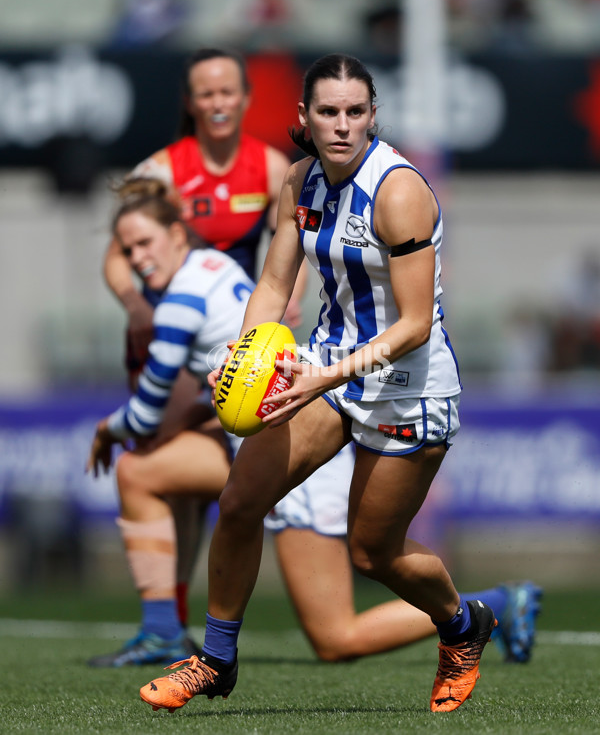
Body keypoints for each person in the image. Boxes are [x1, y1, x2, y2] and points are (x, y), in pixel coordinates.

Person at [139, 53, 504, 715]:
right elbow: (275, 283)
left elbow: (416, 324)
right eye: (329, 112)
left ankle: (462, 624)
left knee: (373, 554)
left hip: (408, 387)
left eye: (356, 112)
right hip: (329, 368)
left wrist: (320, 377)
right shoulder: (300, 182)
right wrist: (240, 352)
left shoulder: (398, 191)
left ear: (372, 116)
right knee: (242, 499)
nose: (342, 125)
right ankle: (215, 659)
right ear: (304, 118)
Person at [87, 179, 542, 672]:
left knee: (336, 637)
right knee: (146, 475)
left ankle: (493, 605)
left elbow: (150, 411)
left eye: (144, 243)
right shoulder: (213, 269)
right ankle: (166, 634)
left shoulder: (180, 300)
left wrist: (108, 429)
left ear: (178, 234)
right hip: (267, 433)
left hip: (296, 442)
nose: (136, 258)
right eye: (126, 249)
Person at [101, 47, 301, 628]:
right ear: (190, 102)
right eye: (205, 94)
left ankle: (176, 620)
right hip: (167, 341)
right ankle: (170, 619)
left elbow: (293, 246)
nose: (216, 103)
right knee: (162, 471)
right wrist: (138, 307)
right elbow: (117, 257)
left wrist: (287, 303)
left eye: (226, 92)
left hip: (231, 340)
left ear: (245, 99)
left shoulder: (268, 168)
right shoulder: (162, 169)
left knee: (185, 472)